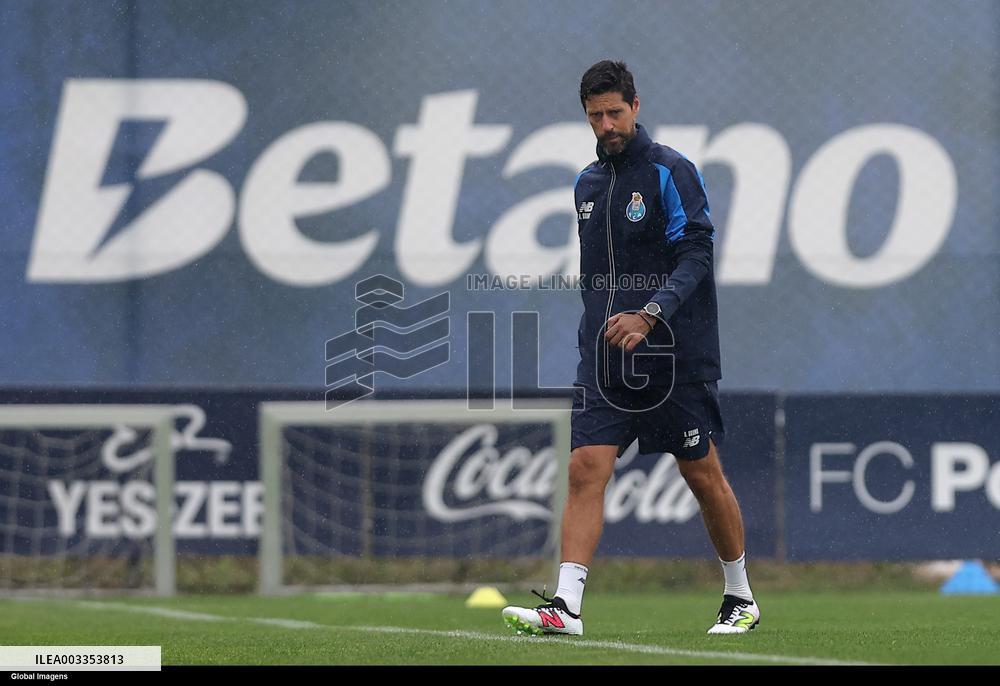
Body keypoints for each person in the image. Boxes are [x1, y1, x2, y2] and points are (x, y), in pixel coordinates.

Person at [502, 60, 759, 637]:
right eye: (595, 115)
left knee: (701, 474)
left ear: (636, 107)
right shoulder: (586, 185)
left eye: (615, 112)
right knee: (585, 468)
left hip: (673, 358)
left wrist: (650, 315)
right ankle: (566, 608)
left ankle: (739, 595)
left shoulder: (672, 170)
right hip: (607, 362)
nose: (607, 124)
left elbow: (696, 252)